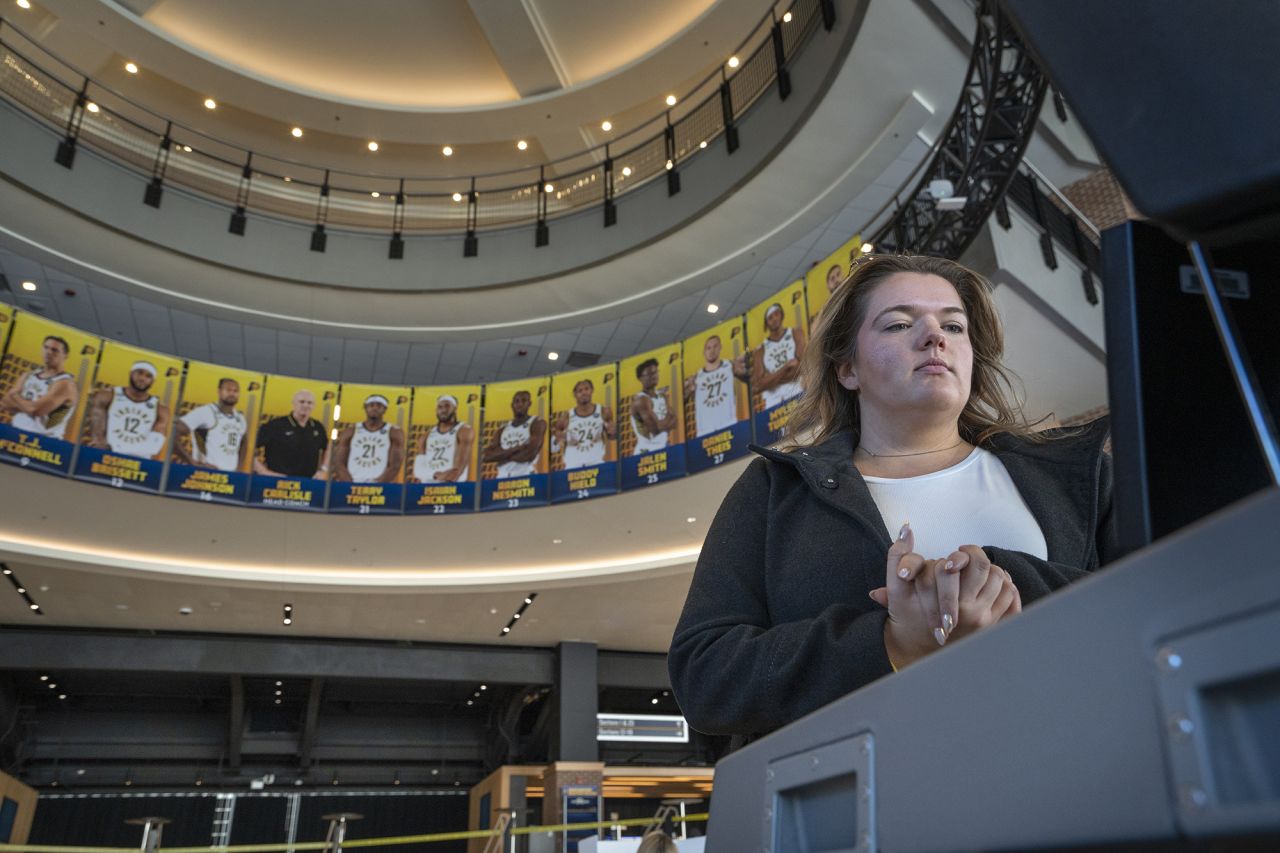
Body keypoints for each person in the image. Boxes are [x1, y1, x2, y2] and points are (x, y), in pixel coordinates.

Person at [669, 255, 1115, 736]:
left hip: (1065, 773)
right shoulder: (776, 490)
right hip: (859, 794)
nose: (934, 337)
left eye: (954, 326)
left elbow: (1149, 609)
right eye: (899, 324)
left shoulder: (1075, 476)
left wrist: (1000, 584)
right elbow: (706, 675)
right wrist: (891, 641)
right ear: (848, 370)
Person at [86, 361, 170, 458]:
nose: (142, 378)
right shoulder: (108, 395)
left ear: (153, 381)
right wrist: (99, 442)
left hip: (138, 462)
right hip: (106, 456)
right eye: (139, 373)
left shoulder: (160, 408)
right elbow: (97, 432)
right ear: (131, 373)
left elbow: (154, 446)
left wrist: (114, 449)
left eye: (148, 376)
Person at [1, 335, 79, 439]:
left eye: (55, 350)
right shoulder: (29, 375)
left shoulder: (65, 383)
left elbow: (36, 410)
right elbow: (5, 404)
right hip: (15, 433)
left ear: (65, 355)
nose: (49, 352)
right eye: (46, 347)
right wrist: (28, 405)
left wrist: (15, 397)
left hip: (43, 443)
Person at [173, 377, 247, 471]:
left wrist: (239, 467)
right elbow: (173, 433)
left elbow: (244, 442)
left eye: (235, 391)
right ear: (219, 391)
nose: (232, 393)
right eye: (228, 390)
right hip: (205, 475)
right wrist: (192, 462)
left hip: (229, 477)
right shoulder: (206, 412)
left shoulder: (240, 418)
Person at [254, 389, 329, 479]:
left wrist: (323, 469)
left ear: (314, 406)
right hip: (278, 483)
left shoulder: (318, 427)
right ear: (293, 403)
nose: (305, 405)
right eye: (302, 402)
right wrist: (263, 471)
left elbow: (327, 448)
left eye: (310, 403)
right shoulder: (275, 425)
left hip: (308, 483)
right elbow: (249, 449)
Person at [332, 394, 405, 483]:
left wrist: (377, 485)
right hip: (353, 480)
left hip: (379, 484)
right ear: (365, 408)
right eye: (371, 405)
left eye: (379, 405)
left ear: (385, 409)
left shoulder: (394, 432)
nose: (374, 408)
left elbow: (395, 465)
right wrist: (349, 483)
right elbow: (339, 462)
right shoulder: (350, 430)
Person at [751, 303, 806, 409]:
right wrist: (786, 367)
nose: (774, 319)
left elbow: (802, 366)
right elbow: (757, 387)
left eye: (776, 314)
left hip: (797, 393)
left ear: (781, 315)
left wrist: (770, 380)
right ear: (766, 323)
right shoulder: (760, 350)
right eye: (770, 317)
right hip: (773, 403)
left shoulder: (796, 332)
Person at [552, 379, 615, 469]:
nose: (584, 392)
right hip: (573, 466)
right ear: (575, 395)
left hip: (596, 463)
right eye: (580, 391)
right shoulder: (565, 417)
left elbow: (612, 437)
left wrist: (613, 432)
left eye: (586, 389)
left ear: (592, 390)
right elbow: (554, 447)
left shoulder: (604, 411)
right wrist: (557, 440)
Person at [482, 390, 546, 478]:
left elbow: (530, 454)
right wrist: (517, 448)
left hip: (525, 475)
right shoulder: (502, 429)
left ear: (529, 403)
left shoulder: (537, 423)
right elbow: (486, 456)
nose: (520, 404)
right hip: (502, 478)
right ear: (512, 405)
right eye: (517, 401)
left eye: (524, 401)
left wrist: (502, 456)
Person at [683, 336, 737, 437]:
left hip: (728, 423)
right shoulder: (696, 377)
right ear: (704, 352)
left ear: (720, 347)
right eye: (708, 348)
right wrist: (688, 389)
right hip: (705, 430)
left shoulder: (729, 366)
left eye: (715, 346)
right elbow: (682, 400)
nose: (712, 350)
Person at [413, 394, 473, 482]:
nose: (443, 410)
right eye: (440, 407)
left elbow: (457, 472)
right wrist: (437, 475)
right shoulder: (426, 436)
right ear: (436, 410)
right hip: (427, 490)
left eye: (447, 406)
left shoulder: (464, 430)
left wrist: (434, 475)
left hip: (453, 488)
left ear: (455, 408)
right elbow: (417, 471)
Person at [630, 358, 677, 453]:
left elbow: (675, 421)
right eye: (649, 374)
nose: (654, 376)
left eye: (655, 372)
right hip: (647, 450)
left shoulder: (662, 396)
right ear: (640, 378)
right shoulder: (641, 400)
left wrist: (663, 424)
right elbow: (655, 430)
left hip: (664, 445)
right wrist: (667, 423)